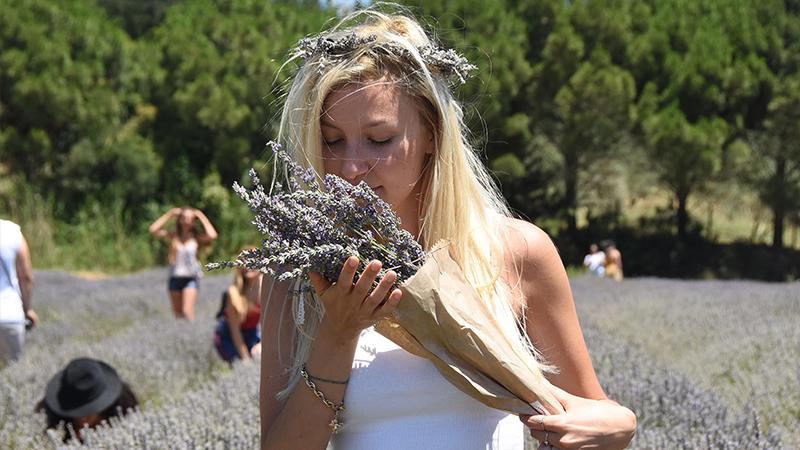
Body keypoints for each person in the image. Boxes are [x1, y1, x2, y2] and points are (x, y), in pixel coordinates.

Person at [259, 9, 636, 450]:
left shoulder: (517, 254)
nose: (350, 167)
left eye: (379, 139)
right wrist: (338, 333)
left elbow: (592, 417)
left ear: (433, 133)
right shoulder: (297, 276)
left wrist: (620, 424)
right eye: (331, 139)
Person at [36, 357, 139, 442]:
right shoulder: (56, 424)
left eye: (89, 409)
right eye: (79, 410)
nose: (83, 417)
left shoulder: (122, 415)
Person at [149, 206, 218, 320]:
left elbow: (213, 235)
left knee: (187, 312)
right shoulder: (174, 236)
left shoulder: (196, 238)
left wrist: (200, 216)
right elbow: (153, 229)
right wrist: (170, 214)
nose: (187, 220)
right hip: (175, 277)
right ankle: (181, 336)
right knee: (178, 315)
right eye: (184, 217)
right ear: (180, 219)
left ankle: (191, 335)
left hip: (191, 278)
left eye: (190, 218)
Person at [0, 219, 38, 364]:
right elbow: (26, 277)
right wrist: (27, 309)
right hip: (9, 313)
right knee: (12, 373)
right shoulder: (12, 232)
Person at [214, 262, 263, 363]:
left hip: (252, 334)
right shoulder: (233, 293)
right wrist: (245, 358)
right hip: (229, 336)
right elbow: (235, 331)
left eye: (252, 261)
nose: (248, 266)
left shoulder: (265, 289)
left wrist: (262, 343)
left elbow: (267, 324)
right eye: (244, 262)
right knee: (240, 363)